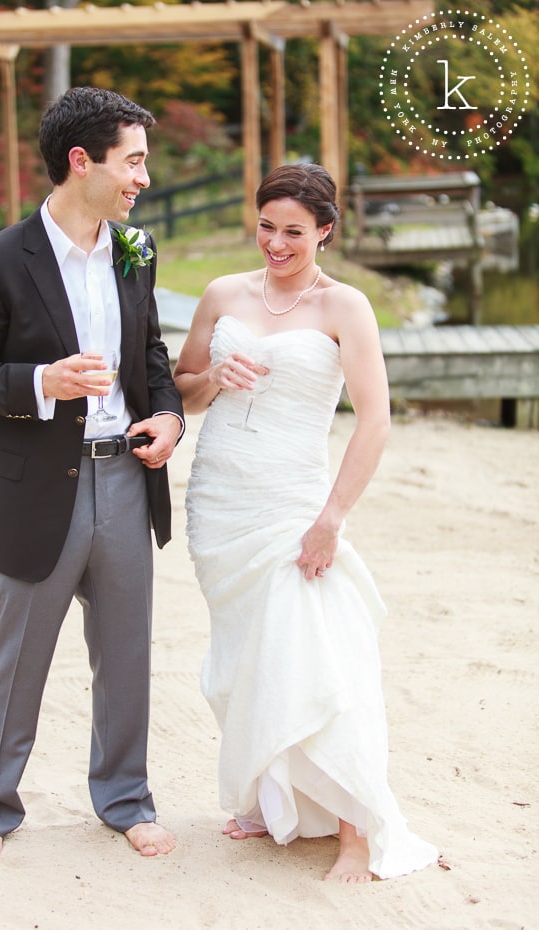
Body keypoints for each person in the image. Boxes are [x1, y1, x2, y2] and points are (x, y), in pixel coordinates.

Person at [0, 86, 184, 864]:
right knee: (17, 659)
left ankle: (124, 799)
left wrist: (171, 418)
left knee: (127, 655)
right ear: (83, 162)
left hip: (125, 480)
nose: (144, 177)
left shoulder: (136, 253)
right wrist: (41, 382)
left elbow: (151, 359)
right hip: (35, 487)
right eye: (133, 161)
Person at [173, 163, 439, 882]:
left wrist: (332, 519)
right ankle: (273, 794)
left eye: (294, 232)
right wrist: (211, 381)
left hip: (293, 502)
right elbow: (183, 389)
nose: (276, 244)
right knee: (244, 655)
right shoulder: (224, 293)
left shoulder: (345, 307)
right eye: (266, 228)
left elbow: (375, 422)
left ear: (325, 230)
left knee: (319, 654)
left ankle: (356, 830)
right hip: (219, 500)